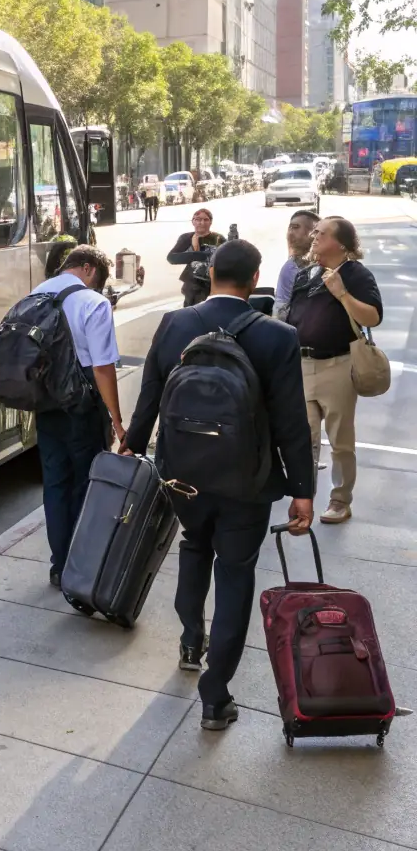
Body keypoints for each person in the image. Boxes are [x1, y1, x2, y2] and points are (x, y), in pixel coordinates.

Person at [122, 240, 314, 732]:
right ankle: (215, 696)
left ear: (208, 276)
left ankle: (190, 638)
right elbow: (292, 422)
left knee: (193, 544)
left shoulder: (175, 324)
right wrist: (301, 488)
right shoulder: (277, 336)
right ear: (254, 279)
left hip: (182, 473)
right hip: (247, 483)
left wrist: (133, 447)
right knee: (236, 573)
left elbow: (150, 396)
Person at [34, 242, 124, 588]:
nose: (97, 287)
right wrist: (116, 419)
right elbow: (103, 367)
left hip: (45, 399)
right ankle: (82, 563)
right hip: (82, 400)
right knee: (85, 481)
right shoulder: (93, 302)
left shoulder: (36, 294)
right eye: (97, 279)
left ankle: (59, 565)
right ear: (88, 268)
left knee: (55, 481)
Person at [286, 216, 383, 524]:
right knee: (305, 437)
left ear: (340, 244)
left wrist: (342, 293)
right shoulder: (306, 274)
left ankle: (340, 500)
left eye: (321, 233)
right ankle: (304, 500)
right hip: (302, 365)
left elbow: (373, 317)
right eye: (315, 231)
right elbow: (293, 318)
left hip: (338, 365)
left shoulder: (356, 275)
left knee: (340, 440)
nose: (314, 236)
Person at [167, 207, 226, 306]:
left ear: (210, 222)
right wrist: (197, 254)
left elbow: (227, 258)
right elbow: (172, 258)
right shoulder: (186, 238)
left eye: (205, 219)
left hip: (213, 284)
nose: (201, 223)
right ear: (193, 222)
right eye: (198, 219)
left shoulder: (218, 238)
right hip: (193, 284)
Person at [273, 209, 320, 320]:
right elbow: (280, 309)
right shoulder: (290, 267)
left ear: (313, 233)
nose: (290, 232)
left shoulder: (330, 263)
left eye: (296, 227)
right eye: (290, 227)